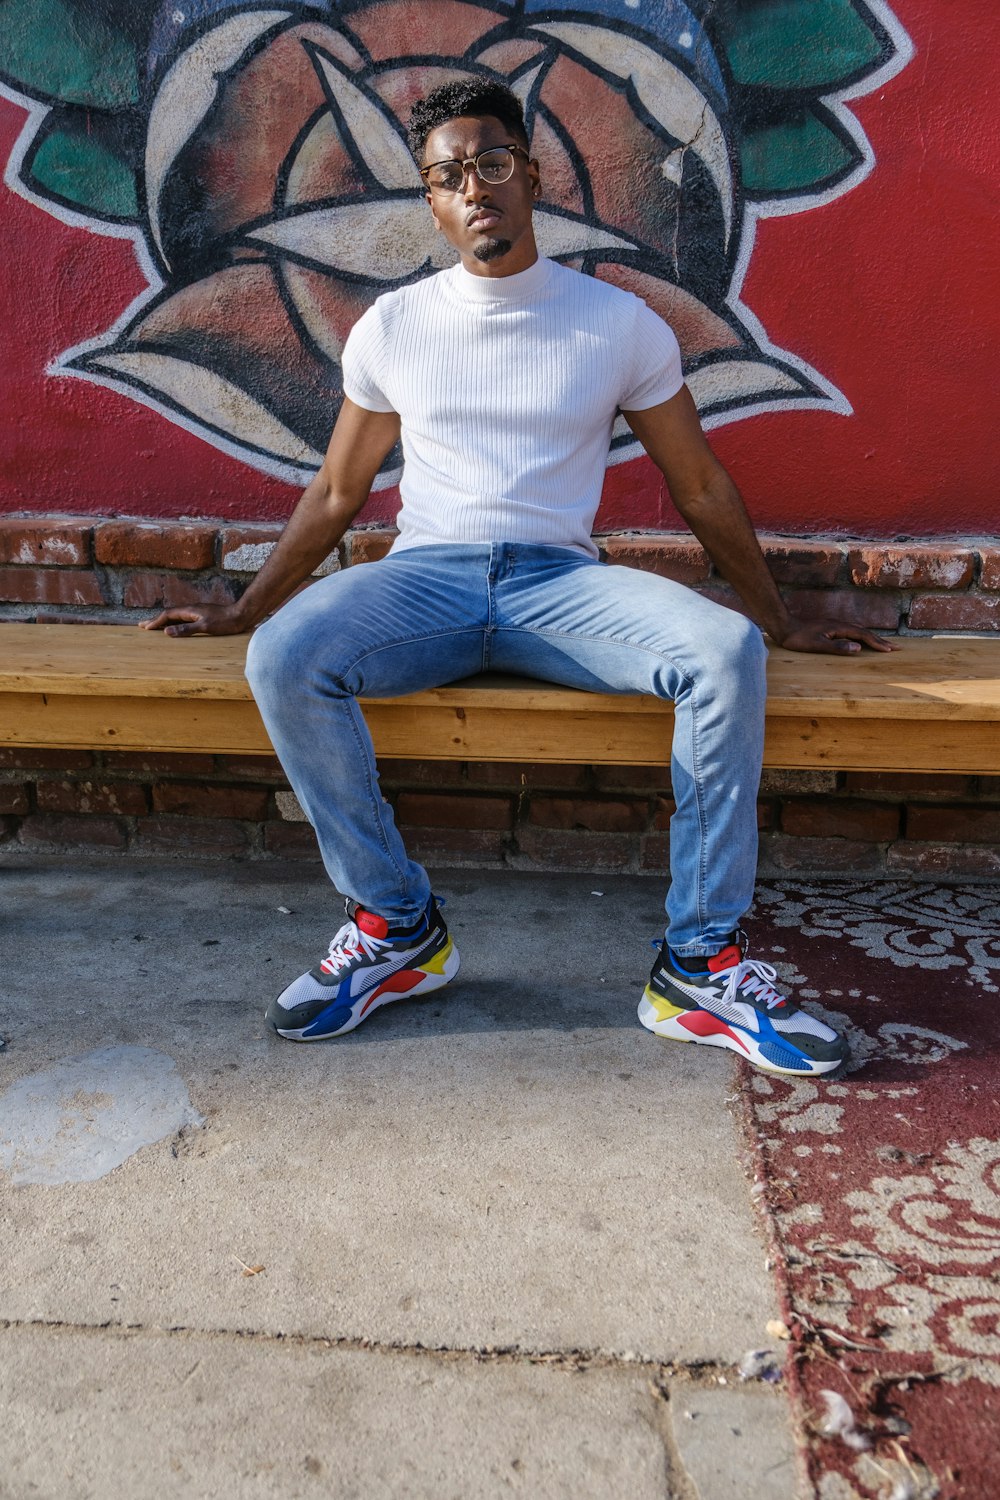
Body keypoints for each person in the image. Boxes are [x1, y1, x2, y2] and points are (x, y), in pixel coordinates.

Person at [144, 79, 893, 1076]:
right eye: (448, 175)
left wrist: (779, 619)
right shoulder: (393, 327)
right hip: (426, 582)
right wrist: (243, 613)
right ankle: (397, 926)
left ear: (530, 175)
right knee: (286, 655)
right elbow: (334, 495)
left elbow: (701, 487)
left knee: (722, 652)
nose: (474, 186)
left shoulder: (617, 323)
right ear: (433, 203)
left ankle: (697, 966)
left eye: (491, 162)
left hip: (559, 590)